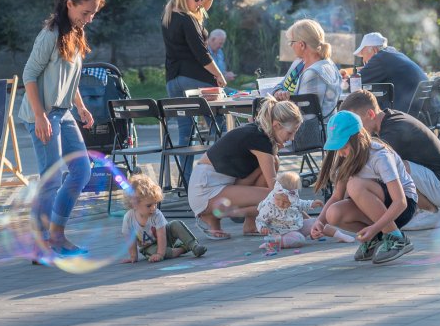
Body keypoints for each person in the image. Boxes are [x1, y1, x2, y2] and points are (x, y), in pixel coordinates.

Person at [18, 0, 105, 258]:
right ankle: (40, 242)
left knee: (82, 170)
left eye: (93, 14)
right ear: (70, 4)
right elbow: (29, 75)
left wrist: (80, 107)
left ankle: (57, 235)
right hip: (41, 114)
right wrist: (40, 116)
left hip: (63, 113)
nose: (89, 18)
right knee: (51, 178)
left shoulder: (75, 33)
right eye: (86, 12)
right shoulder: (50, 34)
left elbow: (68, 78)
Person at [340, 90, 440, 230]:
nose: (354, 131)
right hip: (434, 182)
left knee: (394, 166)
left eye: (356, 123)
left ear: (371, 114)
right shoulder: (388, 119)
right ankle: (413, 211)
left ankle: (429, 212)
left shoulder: (393, 130)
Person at [188, 96, 302, 239]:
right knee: (274, 199)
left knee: (274, 162)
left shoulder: (260, 131)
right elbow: (275, 188)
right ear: (276, 125)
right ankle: (215, 215)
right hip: (205, 190)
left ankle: (250, 224)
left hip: (218, 183)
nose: (292, 138)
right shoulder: (260, 140)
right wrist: (303, 217)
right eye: (290, 133)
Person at [312, 111, 418, 264]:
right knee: (333, 213)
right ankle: (377, 238)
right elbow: (336, 197)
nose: (341, 153)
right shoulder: (346, 158)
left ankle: (396, 237)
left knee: (355, 184)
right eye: (337, 148)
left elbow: (400, 202)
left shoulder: (380, 156)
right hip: (379, 207)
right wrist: (320, 222)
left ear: (359, 138)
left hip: (402, 208)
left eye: (344, 147)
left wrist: (375, 228)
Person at [162, 0, 227, 182]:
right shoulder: (187, 19)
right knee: (220, 127)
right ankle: (222, 176)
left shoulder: (169, 18)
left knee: (184, 132)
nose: (200, 2)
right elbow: (202, 54)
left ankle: (186, 179)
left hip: (174, 80)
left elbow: (200, 18)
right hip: (196, 78)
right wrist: (218, 74)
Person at [273, 19, 341, 151]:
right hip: (308, 129)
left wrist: (285, 102)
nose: (290, 46)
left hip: (308, 134)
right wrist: (279, 92)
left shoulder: (314, 73)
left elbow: (305, 116)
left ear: (301, 45)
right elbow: (280, 85)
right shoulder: (300, 63)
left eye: (291, 43)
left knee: (254, 136)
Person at [255, 171, 354, 251]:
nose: (281, 204)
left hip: (298, 225)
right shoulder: (268, 205)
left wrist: (311, 204)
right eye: (278, 200)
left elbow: (300, 203)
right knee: (298, 239)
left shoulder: (293, 199)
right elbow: (260, 220)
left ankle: (339, 235)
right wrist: (262, 227)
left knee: (316, 223)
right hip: (281, 233)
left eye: (286, 202)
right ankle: (274, 242)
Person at [121, 174, 207, 263]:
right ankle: (182, 248)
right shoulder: (129, 218)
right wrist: (133, 256)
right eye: (149, 205)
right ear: (134, 204)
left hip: (166, 236)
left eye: (155, 203)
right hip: (149, 246)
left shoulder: (156, 214)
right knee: (153, 252)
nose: (153, 208)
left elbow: (161, 235)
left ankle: (194, 246)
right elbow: (129, 239)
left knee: (176, 224)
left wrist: (160, 254)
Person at [353, 32, 429, 115]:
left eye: (363, 54)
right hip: (427, 113)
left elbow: (354, 83)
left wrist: (346, 78)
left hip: (408, 116)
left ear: (374, 50)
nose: (363, 60)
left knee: (368, 109)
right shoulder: (394, 54)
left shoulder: (380, 58)